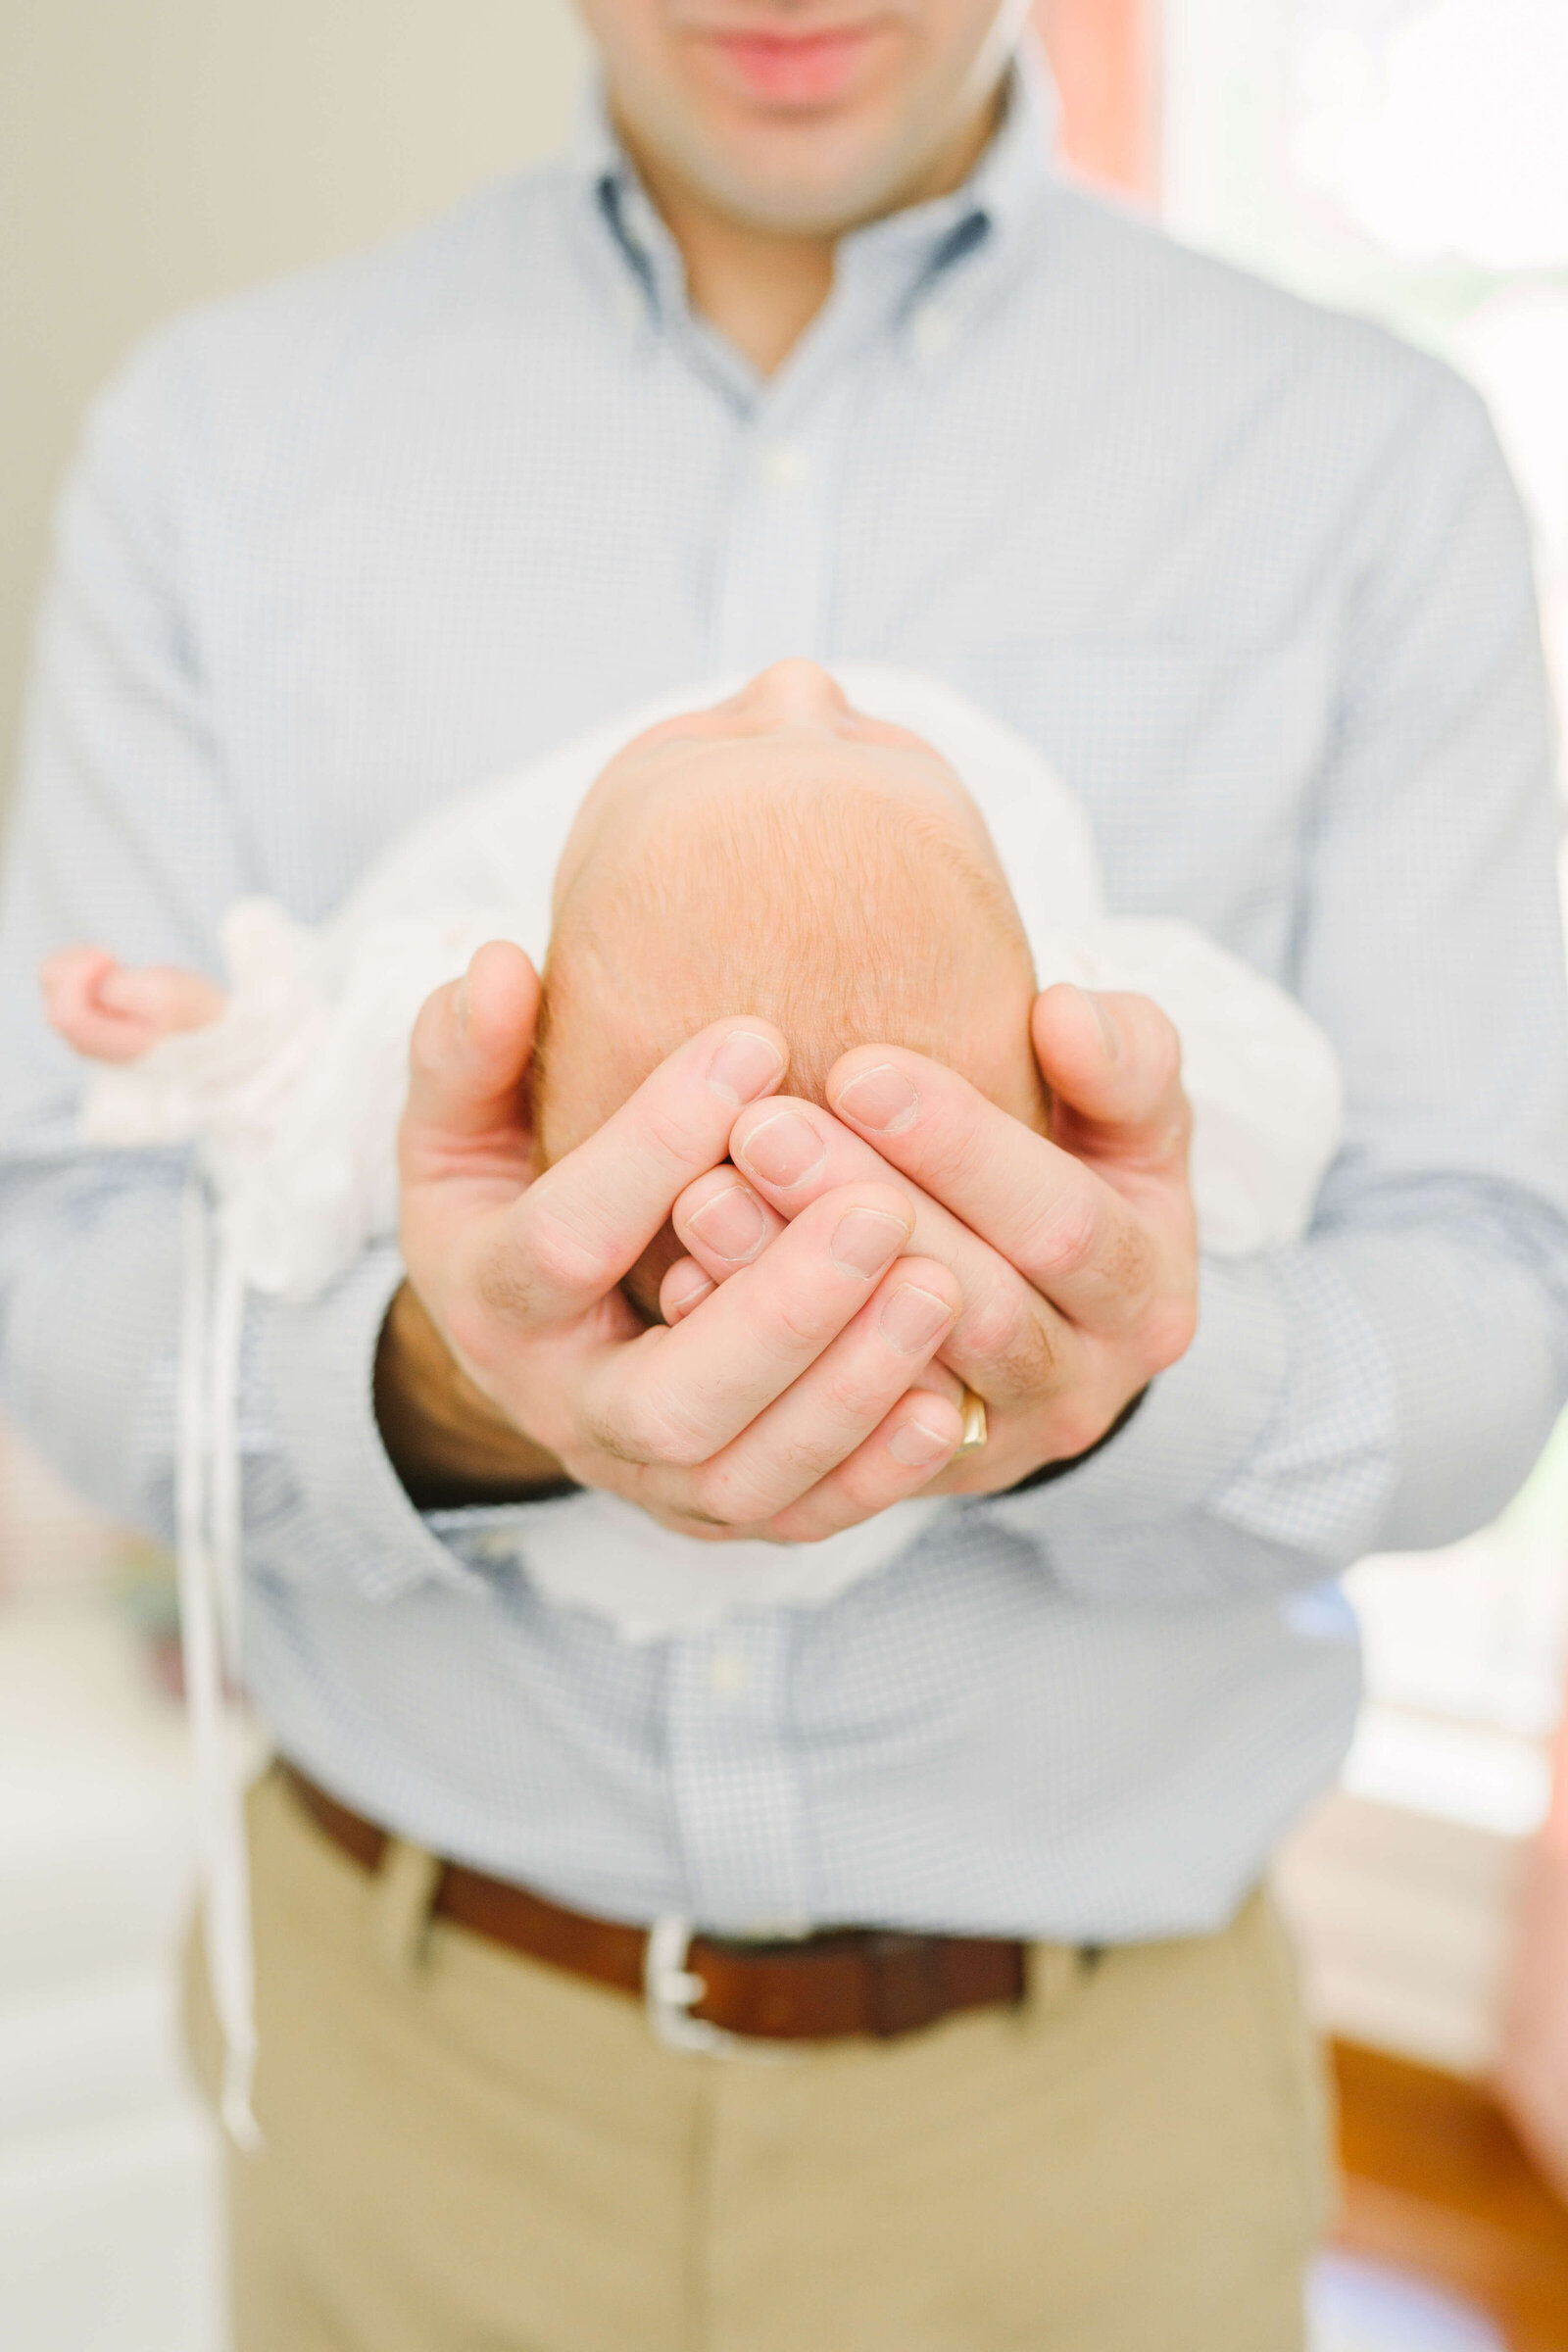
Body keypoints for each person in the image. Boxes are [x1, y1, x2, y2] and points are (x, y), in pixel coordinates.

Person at [2, 4, 1566, 2345]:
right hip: (400, 2078)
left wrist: (1125, 1369)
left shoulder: (1370, 462)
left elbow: (1479, 1298)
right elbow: (75, 1253)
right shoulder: (218, 444)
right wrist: (448, 1370)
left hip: (1074, 2132)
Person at [41, 658, 1342, 1649]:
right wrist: (1139, 1113)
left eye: (716, 729)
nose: (794, 678)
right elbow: (1275, 1130)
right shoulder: (1090, 1019)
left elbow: (301, 1131)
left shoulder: (446, 1035)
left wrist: (221, 1047)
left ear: (533, 1078)